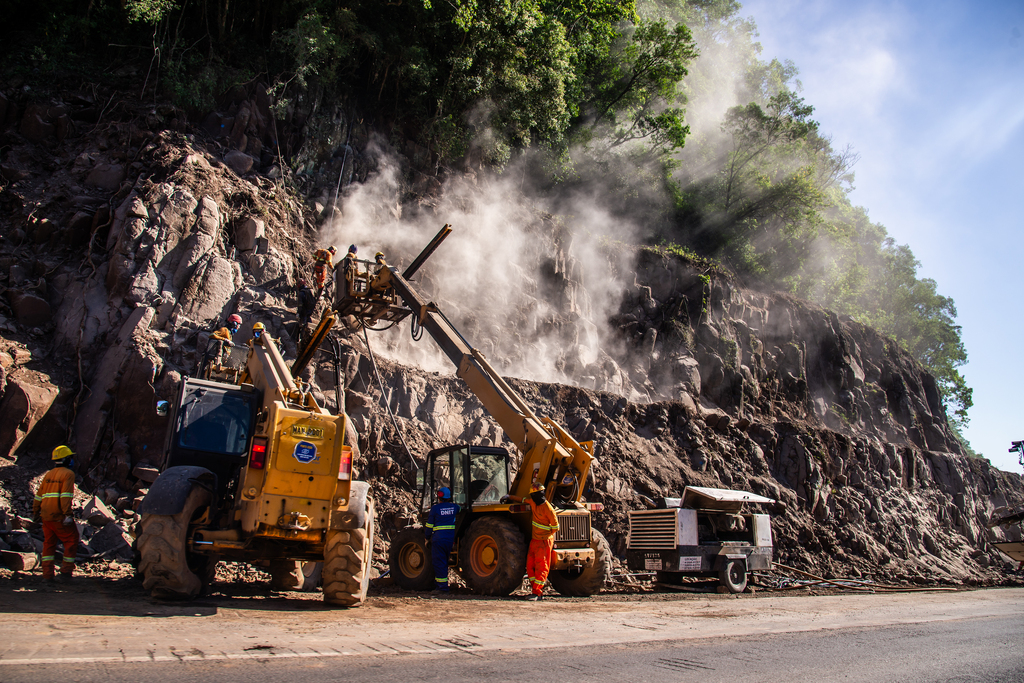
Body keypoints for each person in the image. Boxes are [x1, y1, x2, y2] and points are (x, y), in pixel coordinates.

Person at [33, 446, 80, 582]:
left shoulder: (49, 474)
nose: (71, 460)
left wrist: (36, 512)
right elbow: (66, 496)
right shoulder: (68, 474)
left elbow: (38, 495)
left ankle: (47, 575)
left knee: (49, 543)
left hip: (46, 515)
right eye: (70, 457)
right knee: (71, 540)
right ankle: (65, 572)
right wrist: (68, 514)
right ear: (65, 459)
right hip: (58, 515)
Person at [508, 484, 559, 601]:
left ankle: (538, 592)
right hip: (535, 541)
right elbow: (522, 499)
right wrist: (510, 496)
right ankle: (534, 589)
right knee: (530, 565)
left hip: (544, 541)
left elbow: (555, 527)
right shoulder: (533, 503)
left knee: (542, 566)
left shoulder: (548, 509)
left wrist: (544, 534)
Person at [424, 486, 460, 593]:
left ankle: (442, 588)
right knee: (445, 561)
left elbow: (429, 526)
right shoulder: (454, 507)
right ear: (449, 497)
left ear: (439, 497)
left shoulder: (435, 509)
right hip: (449, 541)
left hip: (438, 540)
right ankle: (443, 585)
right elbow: (459, 508)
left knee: (439, 563)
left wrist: (427, 538)